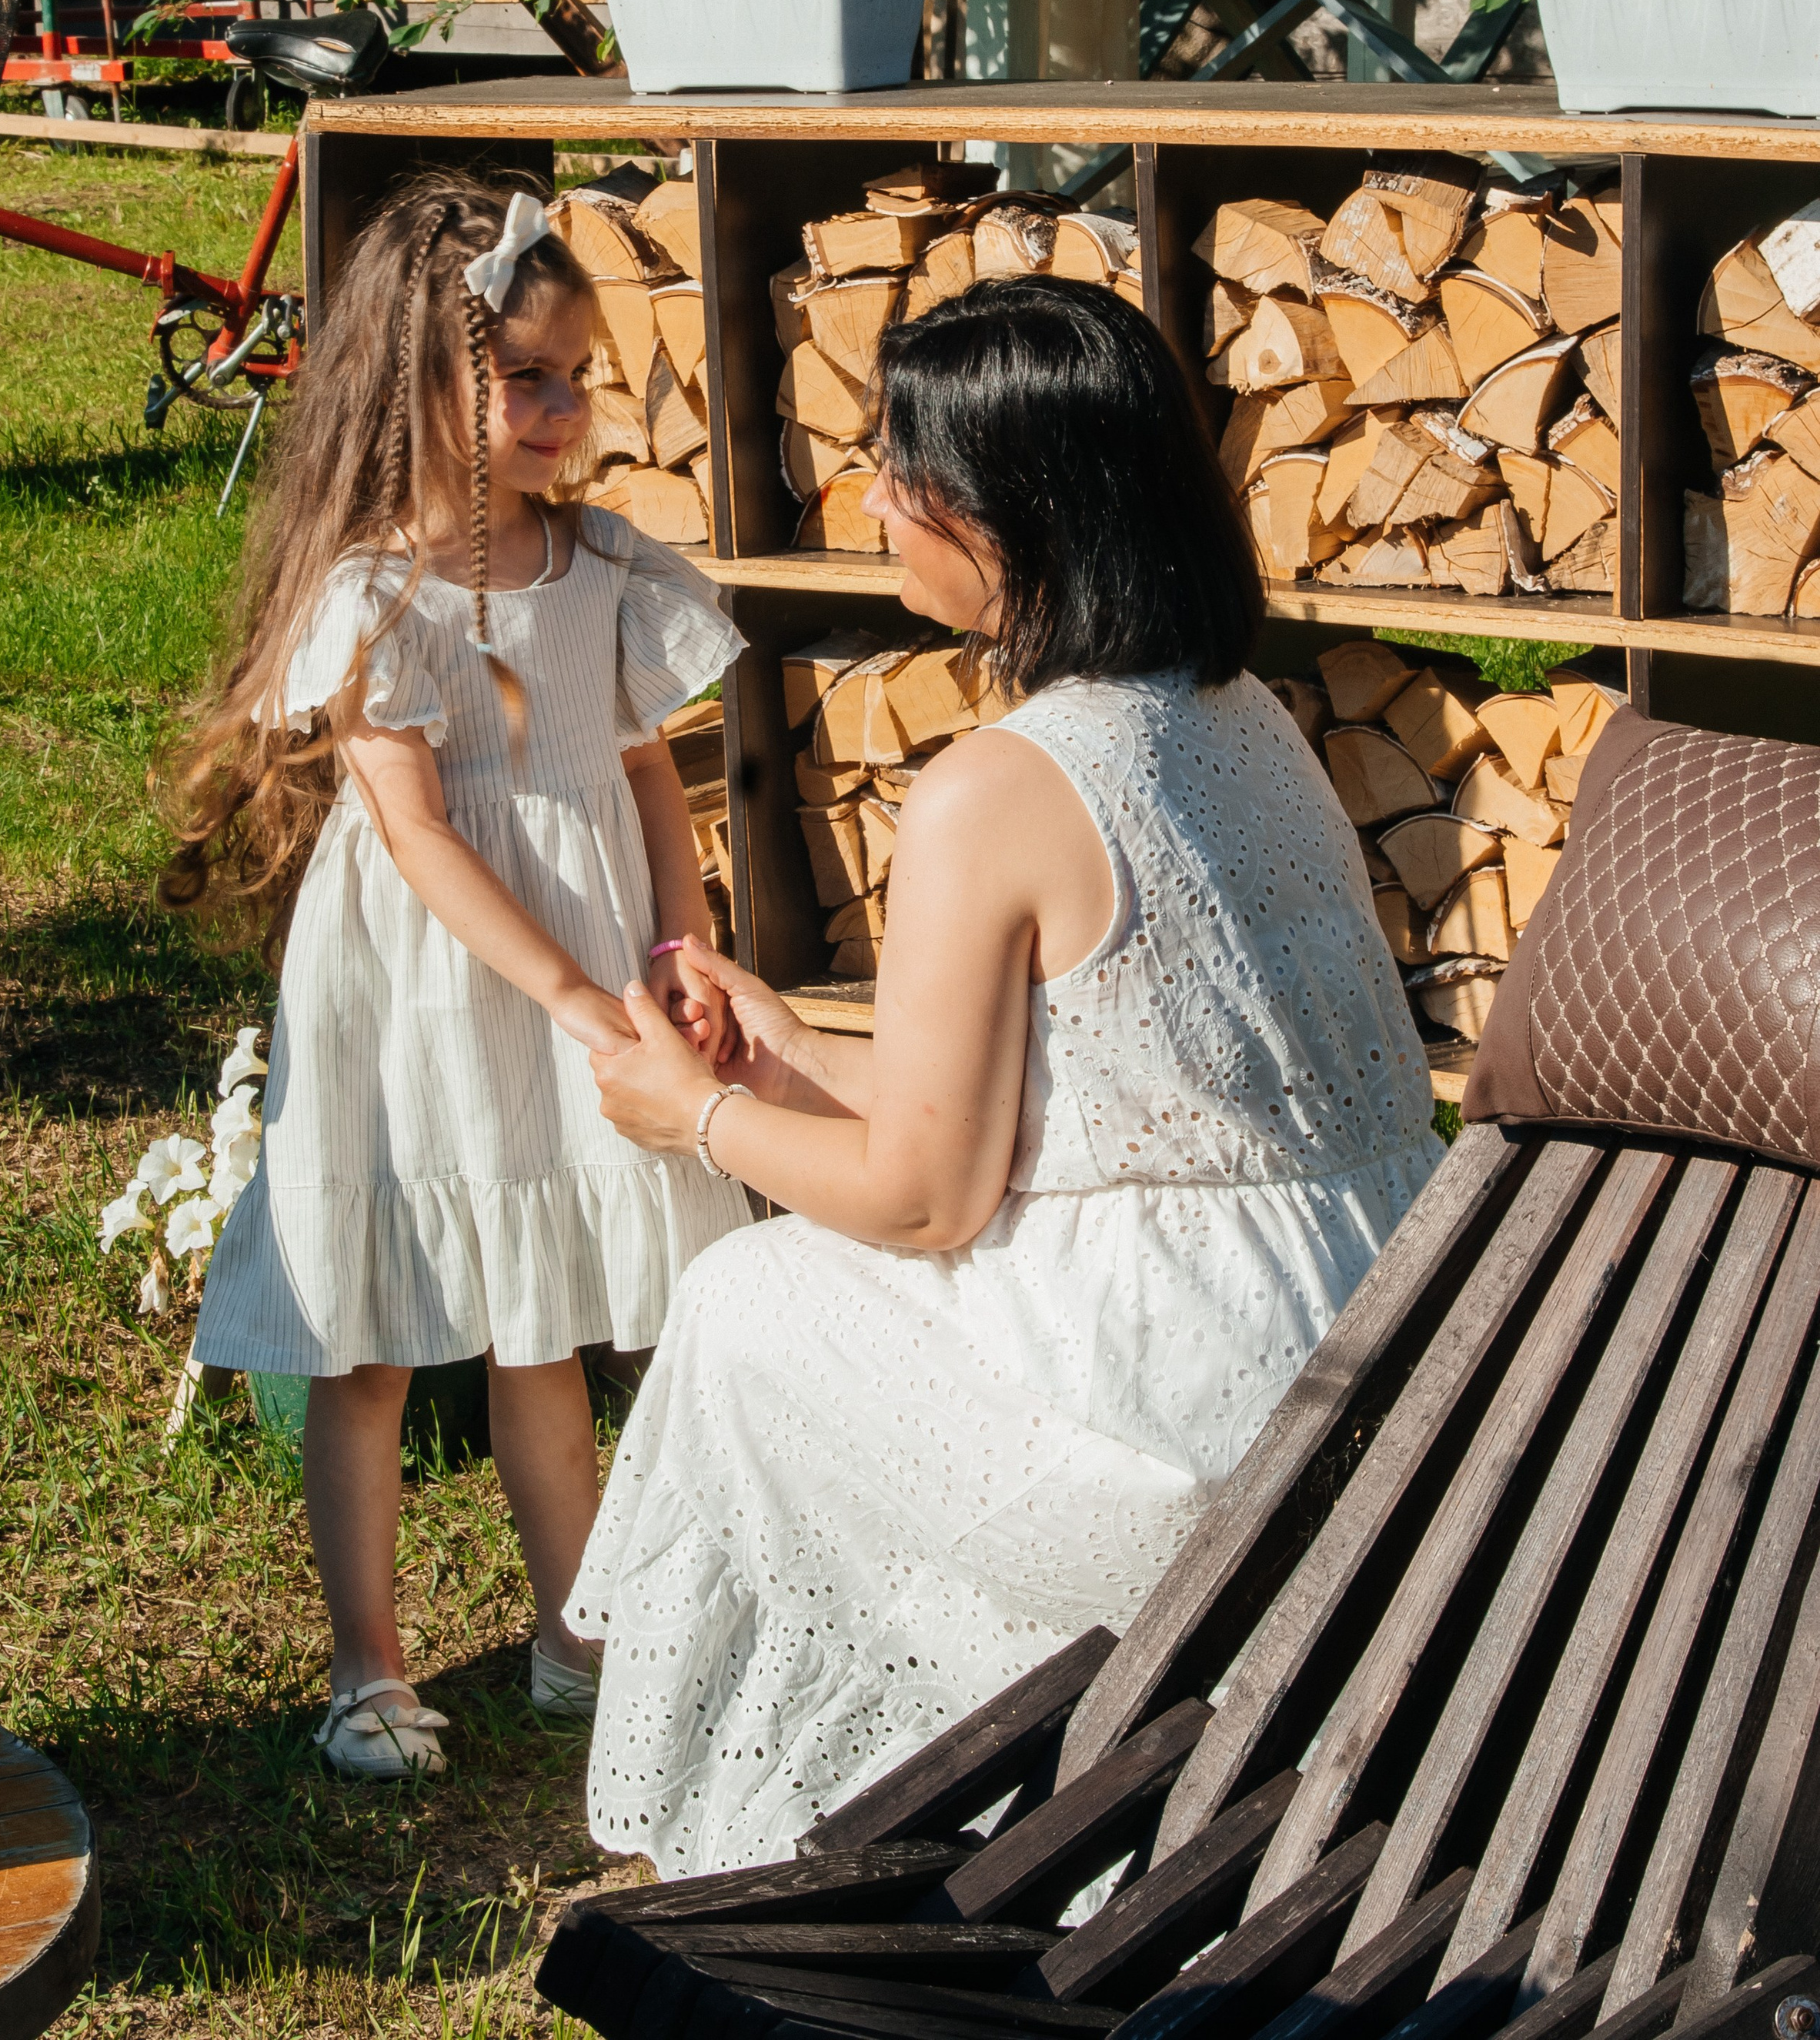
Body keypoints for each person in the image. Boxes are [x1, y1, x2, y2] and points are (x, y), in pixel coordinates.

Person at [575, 273, 1444, 1877]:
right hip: (1364, 1358)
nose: (874, 505)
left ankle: (873, 1824)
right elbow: (1129, 1107)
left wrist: (695, 1112)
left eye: (902, 477)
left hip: (1192, 1422)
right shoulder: (1239, 718)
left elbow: (919, 1198)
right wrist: (786, 1046)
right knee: (786, 1293)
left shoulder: (998, 783)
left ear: (1010, 520)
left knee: (749, 1303)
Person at [167, 171, 750, 1775]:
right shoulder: (373, 598)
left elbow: (641, 773)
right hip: (421, 986)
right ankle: (367, 1669)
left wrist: (676, 944)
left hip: (579, 954)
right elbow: (419, 840)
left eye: (582, 375)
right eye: (529, 377)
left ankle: (579, 1632)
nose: (568, 408)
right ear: (413, 388)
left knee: (541, 1313)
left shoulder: (603, 569)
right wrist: (566, 993)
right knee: (372, 1335)